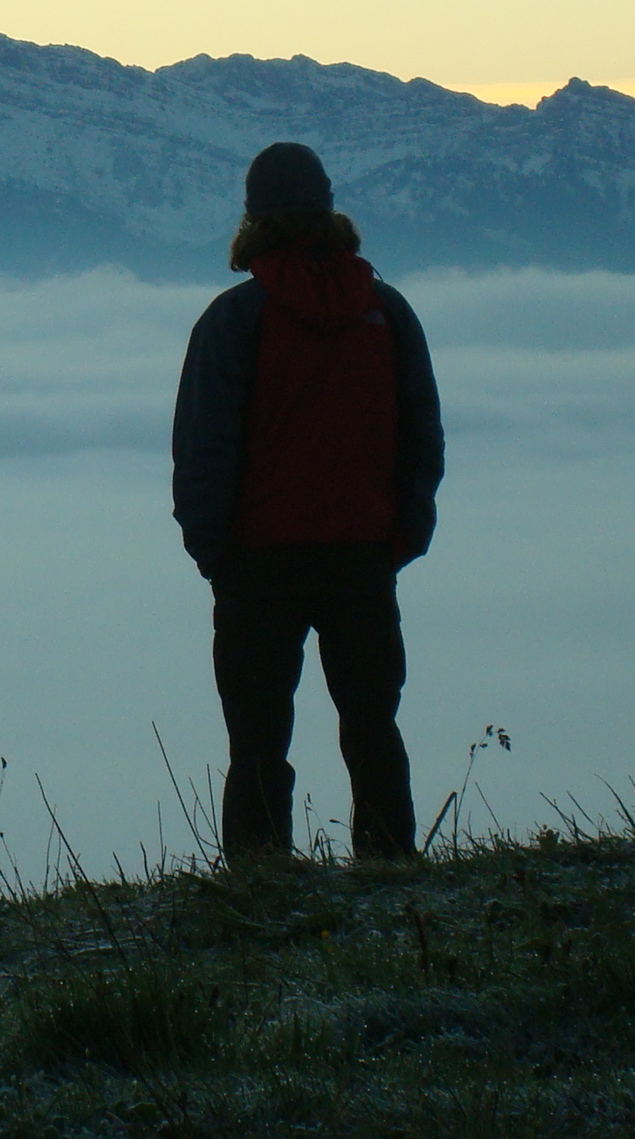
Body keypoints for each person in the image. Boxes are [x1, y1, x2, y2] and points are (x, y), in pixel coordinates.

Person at [171, 142, 444, 863]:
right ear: (328, 212)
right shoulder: (386, 310)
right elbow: (422, 436)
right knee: (373, 727)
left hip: (258, 564)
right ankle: (389, 868)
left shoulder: (235, 319)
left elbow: (202, 447)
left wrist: (215, 553)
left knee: (258, 741)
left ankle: (261, 878)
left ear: (253, 220)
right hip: (362, 557)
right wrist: (400, 537)